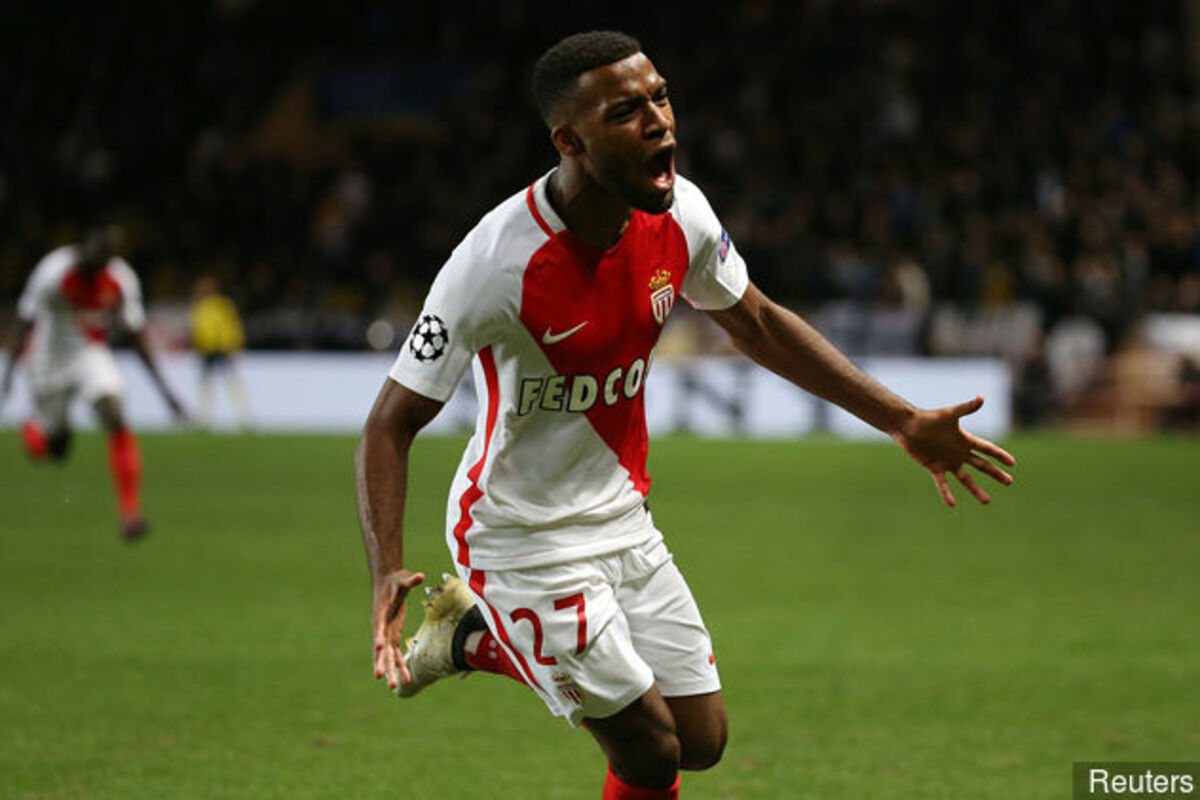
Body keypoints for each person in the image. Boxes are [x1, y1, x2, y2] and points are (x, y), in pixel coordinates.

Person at [355, 31, 1016, 800]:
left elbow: (758, 324)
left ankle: (472, 637)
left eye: (660, 98)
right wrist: (385, 566)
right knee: (648, 751)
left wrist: (900, 420)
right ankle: (491, 624)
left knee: (701, 741)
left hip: (621, 517)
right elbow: (389, 424)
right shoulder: (495, 262)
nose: (659, 122)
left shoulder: (682, 215)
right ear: (569, 140)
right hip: (518, 538)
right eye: (625, 111)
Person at [0, 225, 186, 540]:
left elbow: (135, 336)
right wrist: (8, 375)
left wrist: (166, 392)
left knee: (115, 415)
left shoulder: (120, 280)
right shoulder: (53, 271)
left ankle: (130, 514)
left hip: (89, 353)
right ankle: (36, 429)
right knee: (52, 449)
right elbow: (24, 320)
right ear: (83, 249)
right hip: (48, 360)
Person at [190, 275, 252, 430]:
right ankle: (202, 417)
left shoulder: (222, 305)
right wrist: (197, 345)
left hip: (223, 348)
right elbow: (197, 329)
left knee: (232, 382)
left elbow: (232, 325)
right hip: (207, 350)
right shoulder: (199, 307)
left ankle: (244, 415)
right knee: (206, 384)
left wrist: (234, 343)